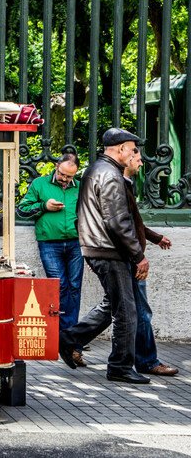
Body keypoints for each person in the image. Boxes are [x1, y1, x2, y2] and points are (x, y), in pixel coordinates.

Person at [58, 128, 149, 384]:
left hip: (98, 247)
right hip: (108, 250)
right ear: (120, 149)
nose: (135, 153)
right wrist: (138, 255)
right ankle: (120, 366)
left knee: (114, 304)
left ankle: (69, 338)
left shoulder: (96, 169)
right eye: (132, 149)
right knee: (126, 311)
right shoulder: (110, 174)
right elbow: (117, 221)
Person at [17, 153, 86, 367]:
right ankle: (59, 338)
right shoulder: (39, 184)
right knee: (59, 287)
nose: (65, 180)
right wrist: (44, 206)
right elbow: (22, 209)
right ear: (56, 167)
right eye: (63, 175)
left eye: (69, 177)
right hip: (50, 242)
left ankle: (71, 341)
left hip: (76, 242)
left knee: (74, 288)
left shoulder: (81, 186)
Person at [123, 149, 178, 376]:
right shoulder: (119, 184)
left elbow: (134, 223)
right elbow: (123, 226)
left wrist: (155, 238)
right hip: (130, 256)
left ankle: (71, 339)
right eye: (138, 160)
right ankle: (147, 361)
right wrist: (139, 257)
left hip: (128, 254)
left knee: (117, 308)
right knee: (140, 311)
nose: (141, 164)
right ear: (126, 159)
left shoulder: (126, 183)